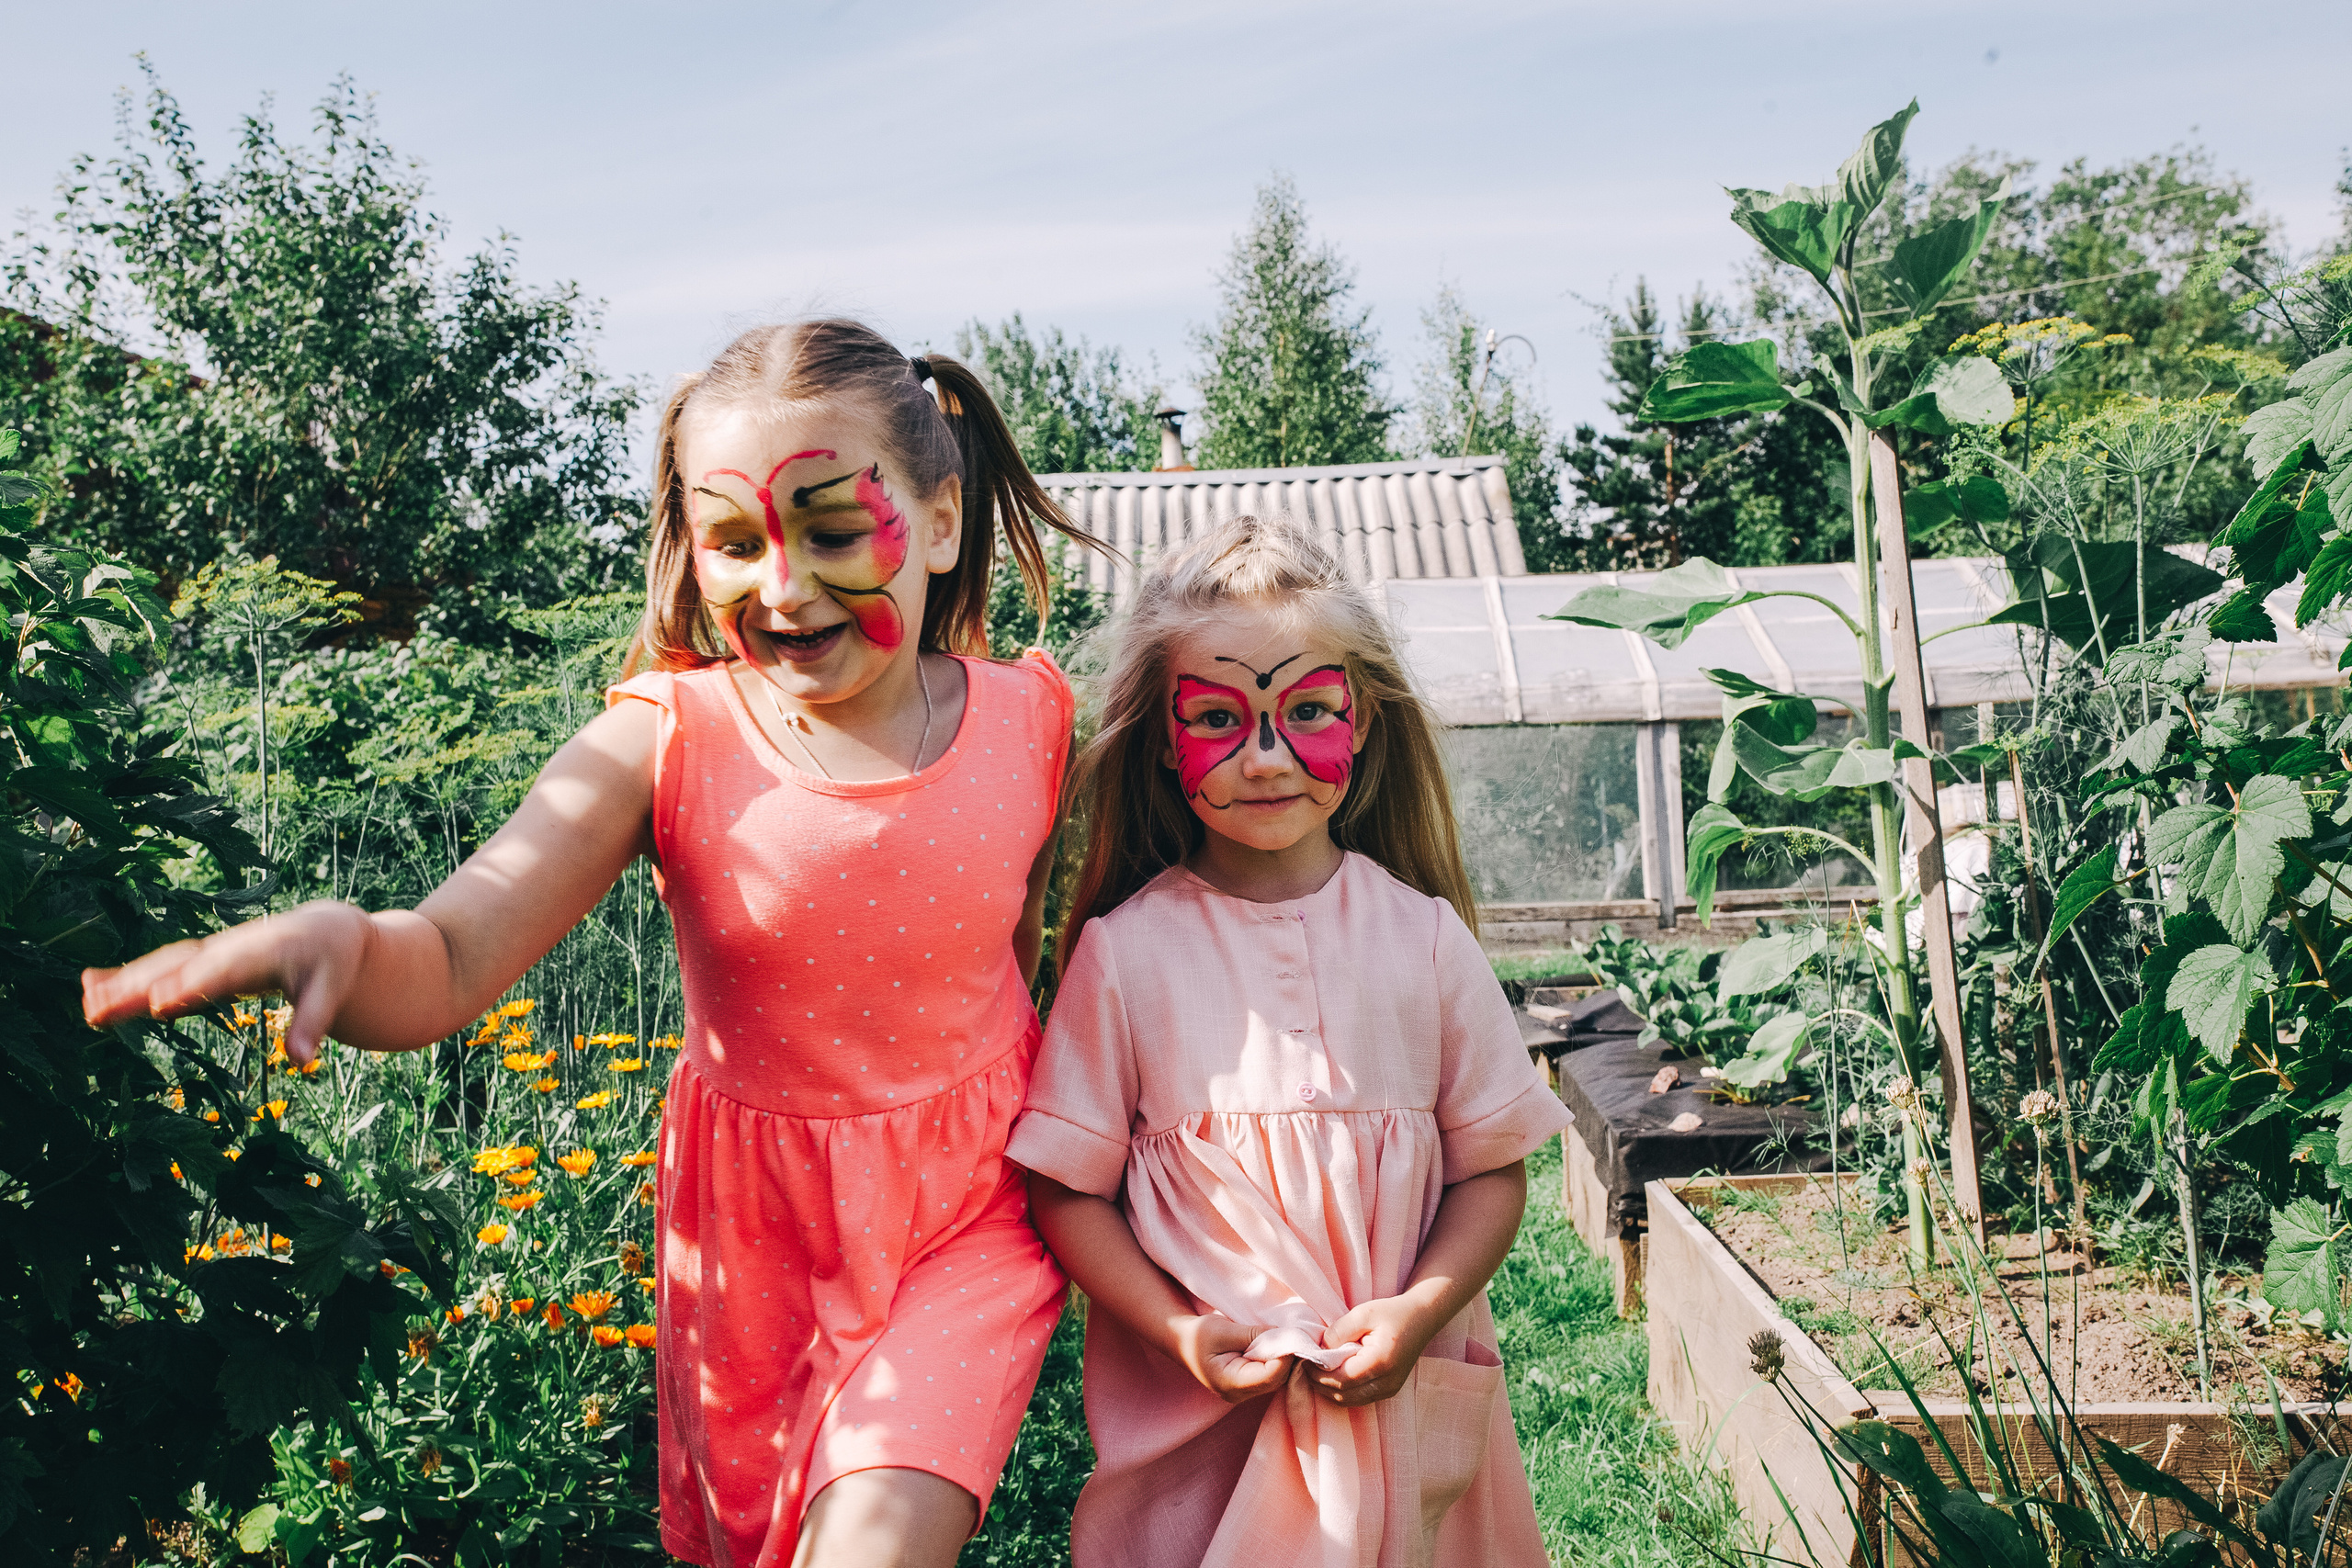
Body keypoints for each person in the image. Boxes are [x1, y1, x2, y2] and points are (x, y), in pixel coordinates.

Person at [82, 319, 1102, 1568]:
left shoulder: (1032, 717)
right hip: (759, 1241)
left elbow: (1066, 940)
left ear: (940, 522)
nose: (782, 585)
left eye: (836, 529)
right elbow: (451, 958)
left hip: (970, 1212)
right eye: (736, 539)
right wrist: (344, 939)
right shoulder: (664, 738)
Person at [1006, 514, 1567, 1568]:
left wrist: (1417, 1312)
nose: (1265, 758)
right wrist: (1176, 1334)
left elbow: (1492, 1174)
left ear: (1361, 722)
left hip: (1393, 1411)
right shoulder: (1124, 958)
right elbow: (1067, 1191)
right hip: (1204, 1422)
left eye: (1305, 710)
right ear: (1165, 742)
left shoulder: (1424, 939)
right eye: (1219, 718)